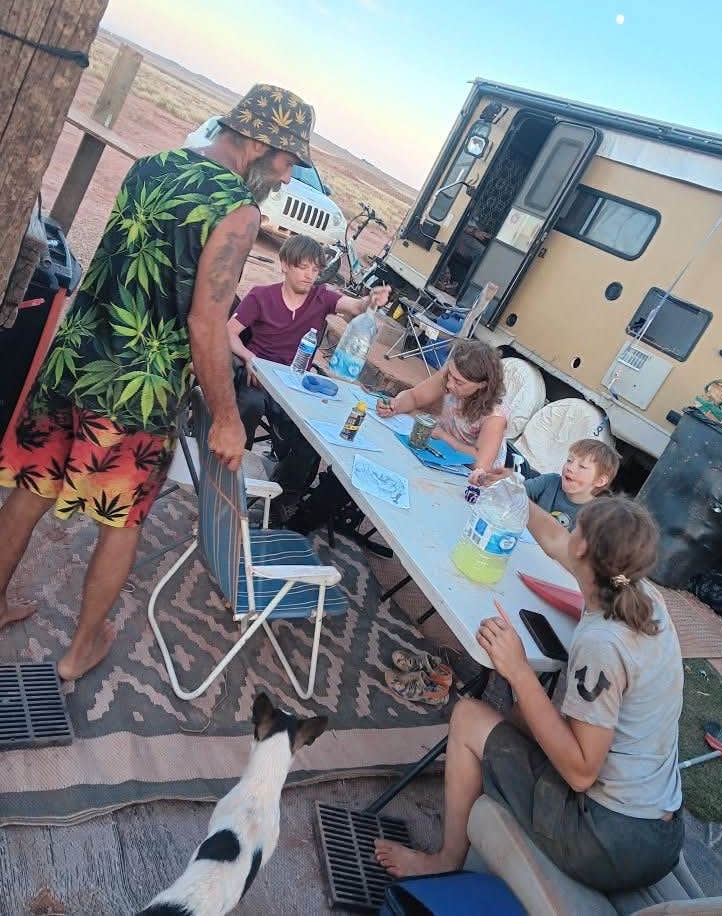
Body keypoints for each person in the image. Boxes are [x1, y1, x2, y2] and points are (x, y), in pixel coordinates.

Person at [0, 83, 314, 681]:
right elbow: (206, 322)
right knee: (122, 519)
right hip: (136, 386)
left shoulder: (151, 165)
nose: (286, 175)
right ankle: (80, 650)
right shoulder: (238, 210)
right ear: (261, 143)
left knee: (32, 487)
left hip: (76, 355)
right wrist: (227, 418)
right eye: (288, 160)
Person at [375, 496, 685, 894]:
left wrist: (519, 672)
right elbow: (554, 539)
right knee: (520, 718)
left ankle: (444, 861)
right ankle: (480, 790)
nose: (568, 532)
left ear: (583, 548)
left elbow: (581, 773)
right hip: (657, 828)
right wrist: (515, 497)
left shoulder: (603, 645)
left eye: (576, 528)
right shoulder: (642, 596)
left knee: (469, 716)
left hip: (606, 842)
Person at [227, 233, 389, 507]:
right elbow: (229, 332)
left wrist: (370, 301)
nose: (309, 275)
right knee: (250, 405)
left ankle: (280, 501)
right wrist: (248, 357)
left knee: (313, 435)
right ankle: (230, 477)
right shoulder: (261, 296)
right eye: (303, 267)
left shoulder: (321, 298)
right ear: (285, 264)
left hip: (294, 384)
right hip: (258, 377)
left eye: (315, 269)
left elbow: (354, 307)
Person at [376, 340, 508, 477]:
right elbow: (415, 397)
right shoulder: (453, 374)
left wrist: (442, 436)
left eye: (459, 382)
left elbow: (481, 464)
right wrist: (395, 405)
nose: (450, 384)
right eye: (450, 375)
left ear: (482, 385)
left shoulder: (494, 416)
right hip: (437, 449)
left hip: (464, 472)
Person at [480, 438, 620, 530]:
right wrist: (504, 481)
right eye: (569, 460)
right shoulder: (550, 481)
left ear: (600, 480)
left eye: (582, 467)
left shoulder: (596, 516)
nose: (570, 468)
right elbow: (515, 493)